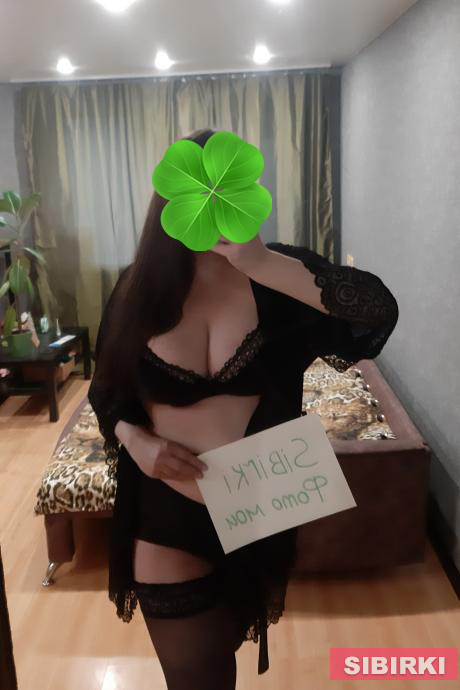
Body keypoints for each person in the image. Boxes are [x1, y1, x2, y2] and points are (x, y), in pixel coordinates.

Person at [88, 127, 399, 690]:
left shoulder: (278, 276)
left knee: (225, 651)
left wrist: (262, 263)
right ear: (172, 199)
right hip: (165, 514)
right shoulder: (138, 290)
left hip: (257, 508)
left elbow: (376, 313)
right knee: (198, 676)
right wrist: (136, 440)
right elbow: (105, 389)